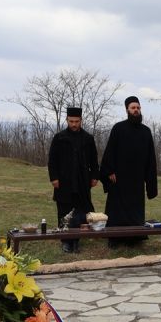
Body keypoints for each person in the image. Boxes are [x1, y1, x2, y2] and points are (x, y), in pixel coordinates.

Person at [99, 96, 158, 245]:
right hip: (119, 179)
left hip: (137, 180)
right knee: (116, 210)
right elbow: (110, 151)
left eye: (138, 107)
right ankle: (114, 238)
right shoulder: (118, 128)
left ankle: (134, 238)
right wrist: (109, 171)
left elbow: (150, 158)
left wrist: (150, 183)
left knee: (135, 210)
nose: (136, 110)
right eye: (133, 108)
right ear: (127, 110)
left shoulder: (146, 131)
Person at [47, 106, 99, 253]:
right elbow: (52, 160)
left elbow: (94, 160)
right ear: (67, 120)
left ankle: (76, 240)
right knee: (64, 211)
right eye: (71, 121)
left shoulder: (88, 138)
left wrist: (95, 176)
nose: (74, 124)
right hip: (64, 182)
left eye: (76, 121)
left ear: (81, 120)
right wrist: (54, 178)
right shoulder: (59, 138)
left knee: (81, 212)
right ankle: (65, 240)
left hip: (82, 182)